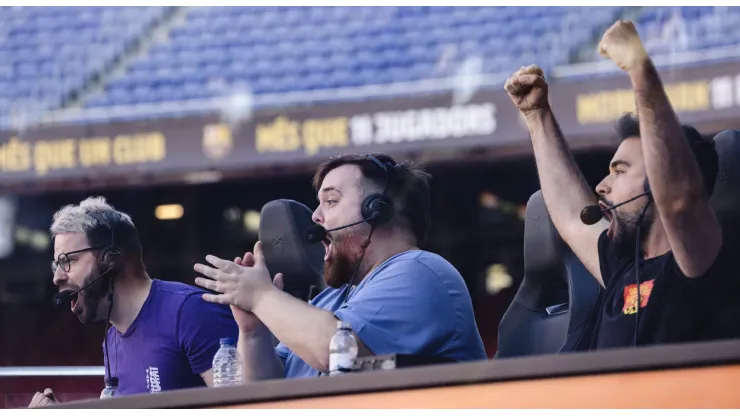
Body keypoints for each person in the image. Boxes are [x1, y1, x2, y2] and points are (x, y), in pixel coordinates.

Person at [503, 20, 732, 349]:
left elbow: (680, 202)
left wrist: (639, 69)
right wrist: (536, 115)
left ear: (657, 185)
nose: (601, 186)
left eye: (620, 171)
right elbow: (570, 216)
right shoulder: (623, 267)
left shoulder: (703, 260)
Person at [193, 153, 487, 380]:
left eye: (331, 201)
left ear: (378, 210)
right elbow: (266, 393)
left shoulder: (420, 272)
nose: (316, 217)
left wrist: (261, 296)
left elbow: (334, 352)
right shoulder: (333, 299)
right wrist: (254, 330)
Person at [29, 197, 238, 407]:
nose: (57, 277)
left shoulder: (191, 313)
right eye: (57, 264)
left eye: (68, 261)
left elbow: (241, 407)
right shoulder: (111, 342)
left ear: (111, 259)